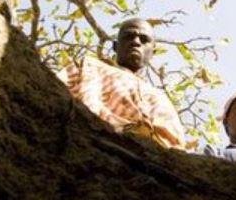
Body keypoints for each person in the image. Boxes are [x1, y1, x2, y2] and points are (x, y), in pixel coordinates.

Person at [60, 18, 188, 150]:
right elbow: (57, 96)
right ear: (115, 46)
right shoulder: (87, 67)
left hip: (145, 156)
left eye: (144, 39)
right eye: (128, 36)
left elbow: (174, 146)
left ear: (152, 52)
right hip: (88, 140)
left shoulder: (159, 97)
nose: (136, 42)